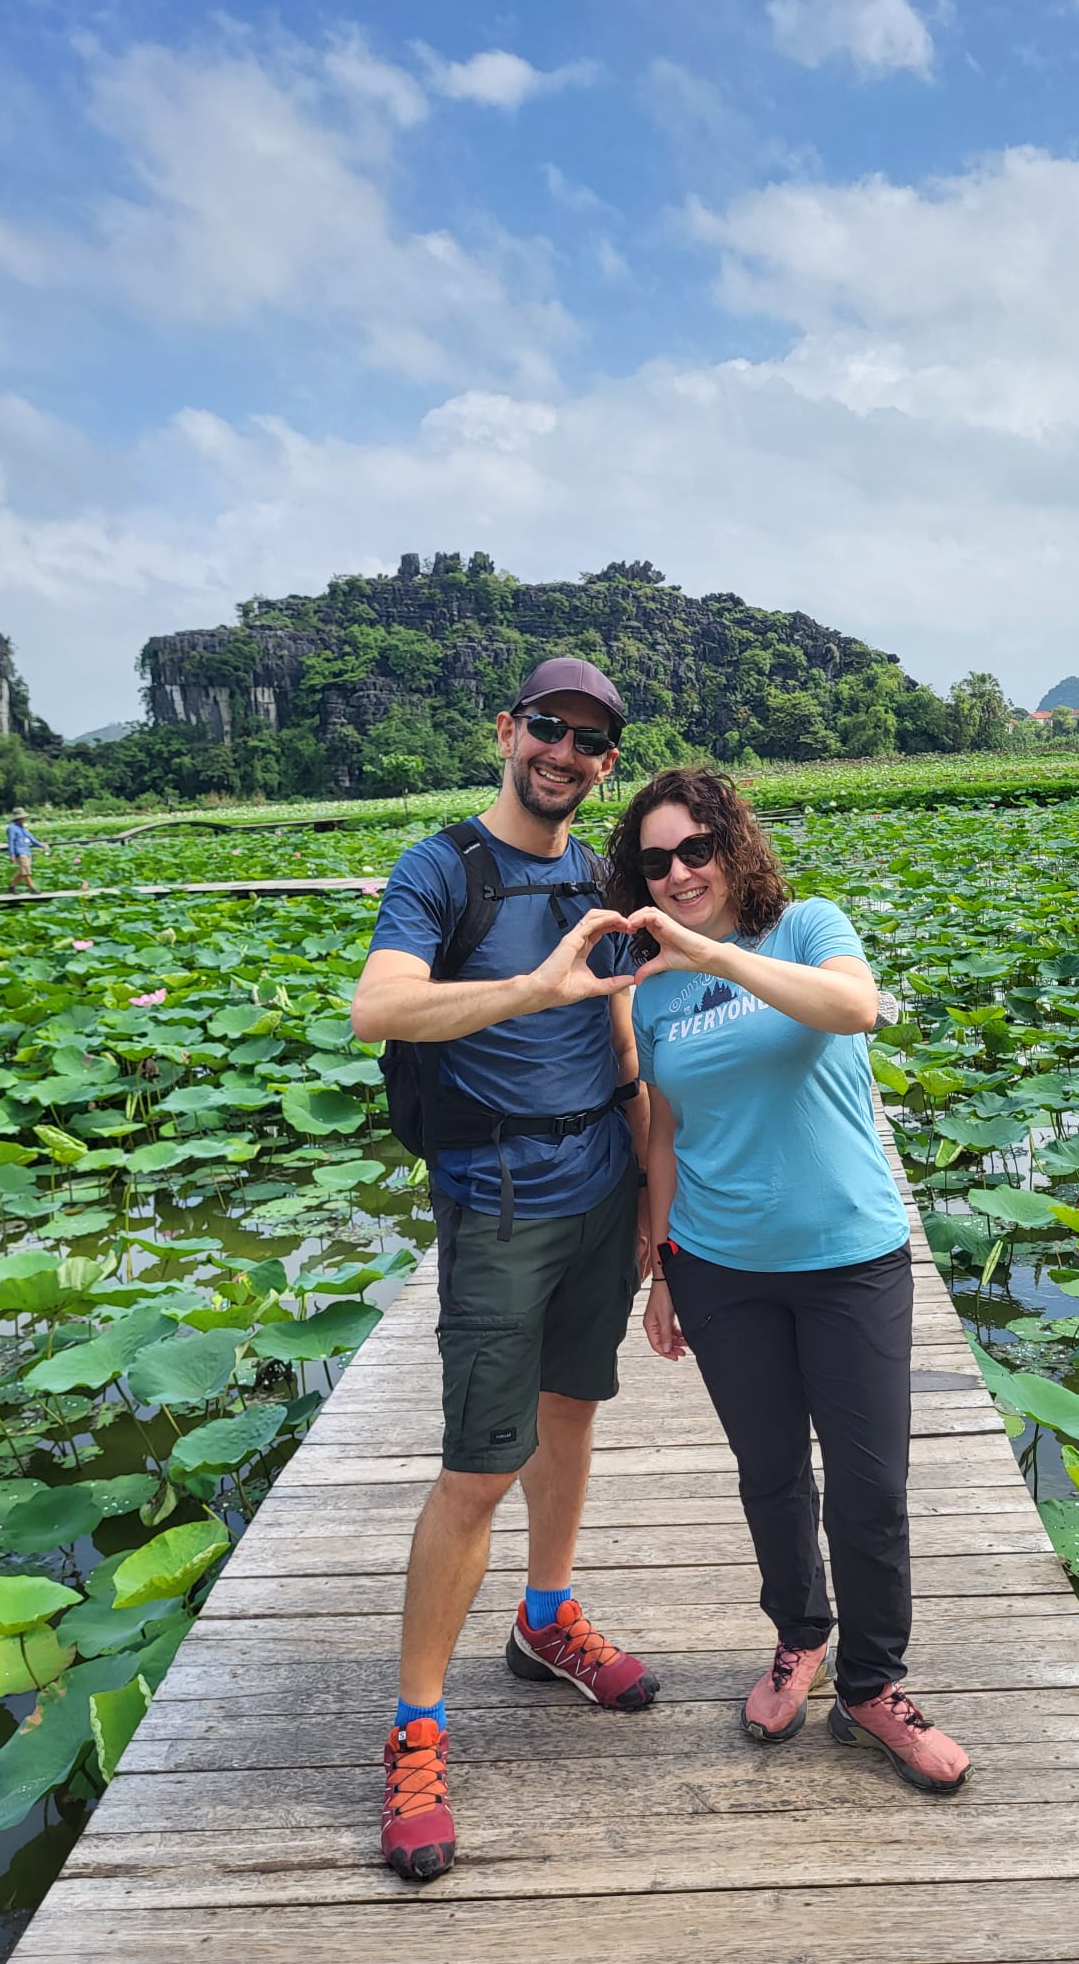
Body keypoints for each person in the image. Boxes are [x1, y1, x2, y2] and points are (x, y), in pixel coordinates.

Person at [350, 657, 659, 1884]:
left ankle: (546, 1619)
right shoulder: (444, 868)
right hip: (498, 1194)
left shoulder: (601, 871)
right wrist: (531, 985)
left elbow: (619, 1020)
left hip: (601, 1180)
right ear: (508, 730)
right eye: (549, 727)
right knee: (479, 1465)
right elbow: (379, 1009)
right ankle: (417, 1726)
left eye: (589, 740)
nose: (565, 752)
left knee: (572, 1410)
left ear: (605, 764)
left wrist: (653, 1191)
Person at [609, 767, 971, 1795]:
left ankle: (872, 1683)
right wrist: (663, 1265)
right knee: (769, 1474)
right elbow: (667, 1130)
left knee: (871, 1489)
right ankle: (799, 1636)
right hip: (722, 1268)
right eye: (654, 860)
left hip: (849, 1258)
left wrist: (711, 951)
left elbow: (855, 1008)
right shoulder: (652, 986)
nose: (677, 873)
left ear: (733, 843)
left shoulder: (808, 925)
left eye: (694, 849)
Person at [6, 809, 48, 893]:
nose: (24, 819)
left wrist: (41, 845)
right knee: (26, 870)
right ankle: (32, 888)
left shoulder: (22, 828)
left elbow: (31, 838)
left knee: (23, 870)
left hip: (26, 851)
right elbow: (11, 842)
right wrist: (12, 855)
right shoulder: (12, 828)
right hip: (19, 852)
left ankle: (12, 887)